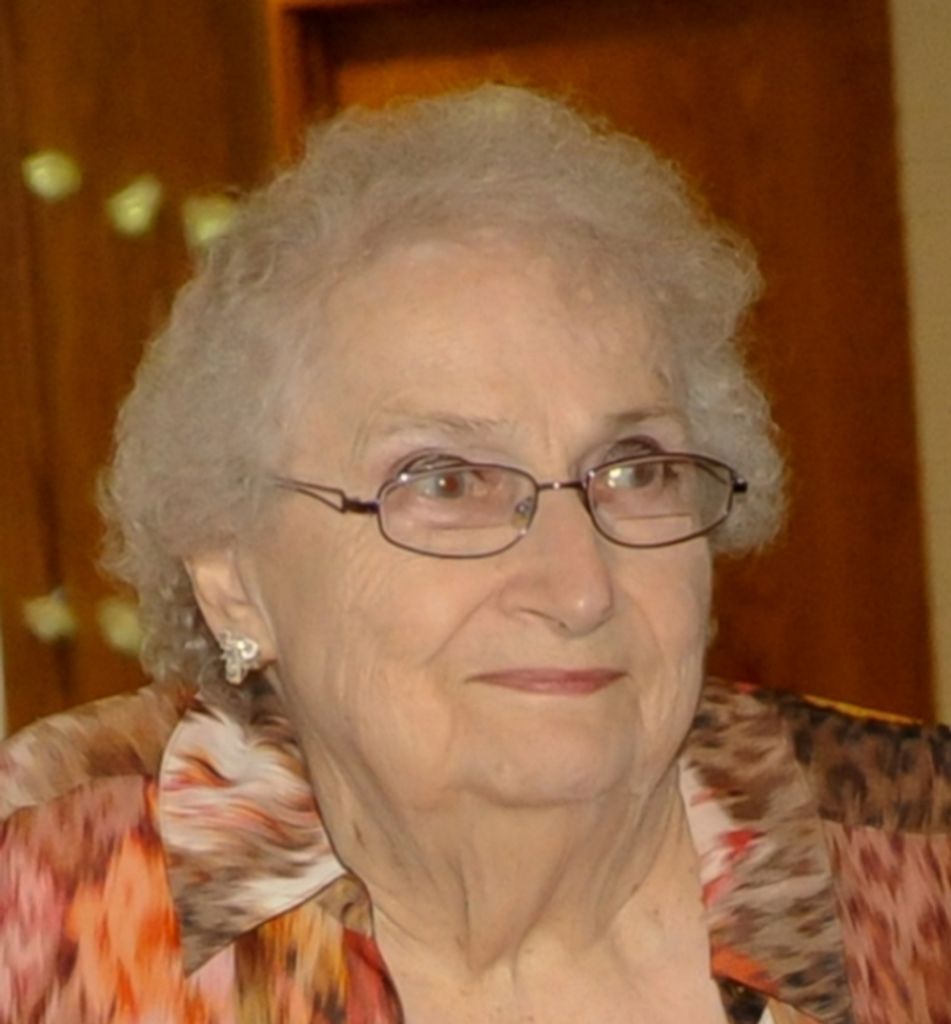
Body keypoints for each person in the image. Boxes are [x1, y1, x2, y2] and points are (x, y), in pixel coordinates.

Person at [1, 85, 948, 1024]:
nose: (578, 589)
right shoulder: (45, 900)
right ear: (232, 578)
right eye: (447, 482)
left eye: (634, 470)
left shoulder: (911, 850)